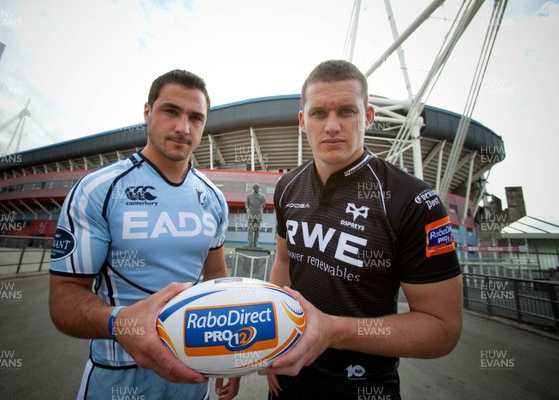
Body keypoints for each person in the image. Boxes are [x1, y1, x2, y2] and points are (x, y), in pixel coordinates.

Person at [260, 60, 463, 399]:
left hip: (362, 386)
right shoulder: (288, 186)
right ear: (302, 121)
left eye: (346, 111)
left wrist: (333, 330)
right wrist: (272, 342)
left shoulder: (413, 200)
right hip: (288, 378)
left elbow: (442, 328)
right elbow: (284, 263)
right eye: (319, 113)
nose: (332, 126)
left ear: (367, 116)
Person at [48, 69, 239, 400]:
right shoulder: (99, 189)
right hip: (117, 372)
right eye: (171, 111)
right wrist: (121, 324)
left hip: (192, 368)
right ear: (148, 112)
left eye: (196, 117)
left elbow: (216, 277)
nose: (183, 127)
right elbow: (64, 297)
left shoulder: (213, 198)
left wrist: (228, 359)